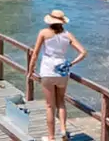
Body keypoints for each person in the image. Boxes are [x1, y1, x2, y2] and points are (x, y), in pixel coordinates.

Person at [27, 10, 87, 141]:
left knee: (49, 105)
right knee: (61, 102)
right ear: (62, 22)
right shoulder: (68, 35)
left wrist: (30, 71)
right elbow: (83, 52)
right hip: (62, 71)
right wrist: (71, 63)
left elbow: (35, 54)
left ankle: (51, 137)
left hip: (47, 70)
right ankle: (64, 130)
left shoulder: (43, 33)